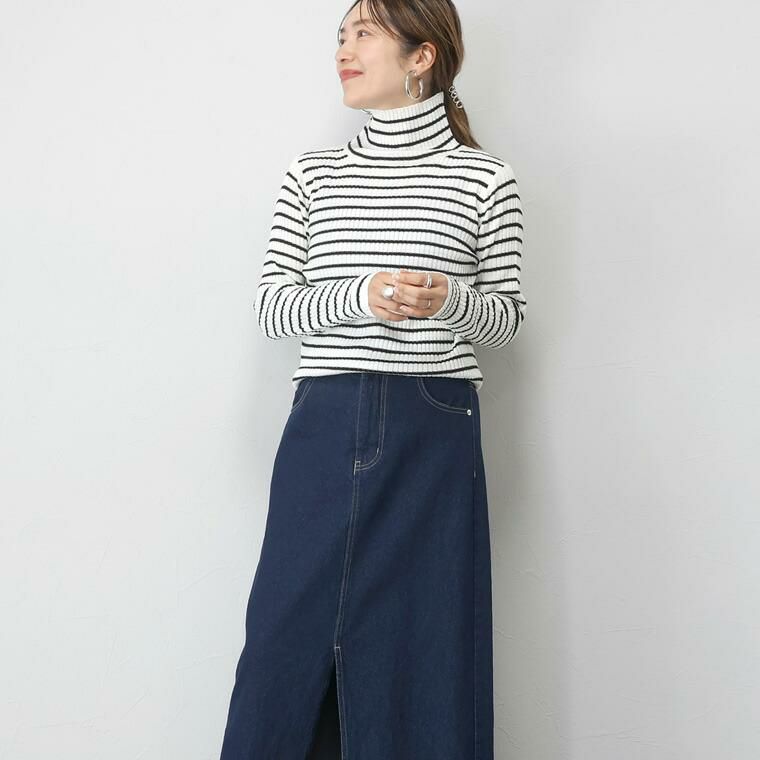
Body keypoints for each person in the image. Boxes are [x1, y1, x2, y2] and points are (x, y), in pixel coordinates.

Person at [219, 0, 527, 757]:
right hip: (324, 420)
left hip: (433, 428)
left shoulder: (485, 180)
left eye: (364, 33)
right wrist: (361, 294)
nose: (343, 50)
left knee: (424, 641)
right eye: (340, 35)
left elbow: (508, 320)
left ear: (422, 56)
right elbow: (272, 308)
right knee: (284, 642)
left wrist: (447, 300)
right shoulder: (313, 176)